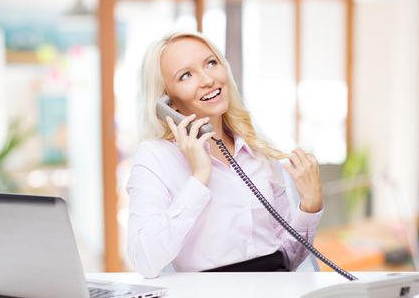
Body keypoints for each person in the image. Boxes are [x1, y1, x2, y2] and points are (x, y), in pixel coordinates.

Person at [126, 31, 323, 278]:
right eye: (186, 75)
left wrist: (310, 206)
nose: (208, 79)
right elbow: (144, 260)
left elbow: (289, 259)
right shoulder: (155, 156)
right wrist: (199, 178)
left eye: (211, 63)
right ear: (167, 101)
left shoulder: (257, 149)